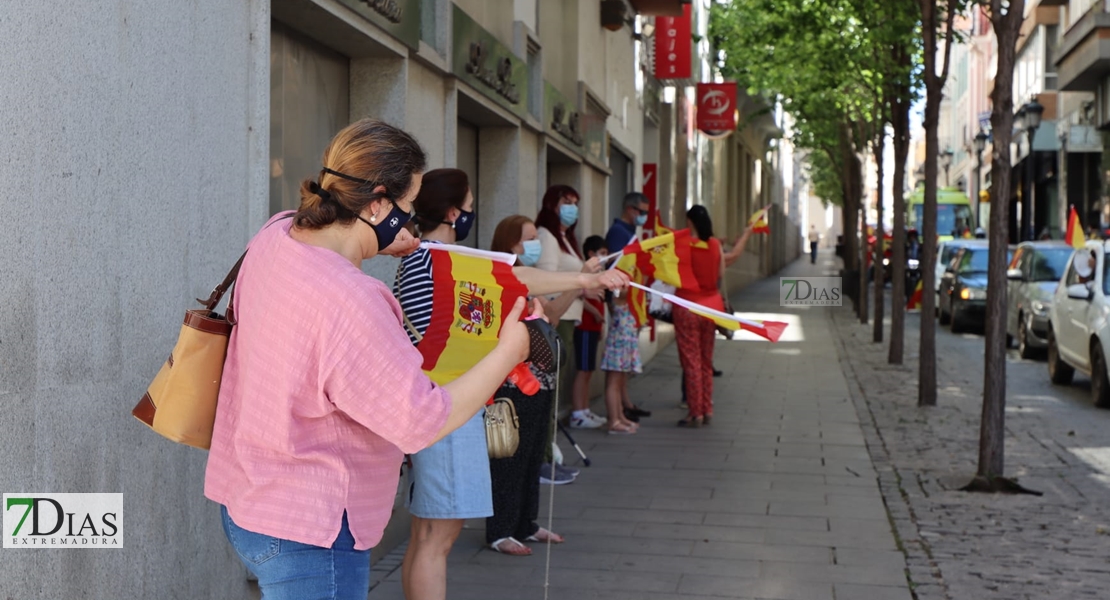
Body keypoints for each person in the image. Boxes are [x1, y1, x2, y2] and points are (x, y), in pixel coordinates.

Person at [204, 119, 536, 599]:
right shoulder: (355, 298)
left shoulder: (276, 233)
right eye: (407, 207)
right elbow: (420, 421)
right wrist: (509, 351)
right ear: (378, 202)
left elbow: (325, 283)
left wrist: (372, 244)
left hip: (248, 500)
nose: (410, 220)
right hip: (312, 530)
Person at [394, 172, 627, 599]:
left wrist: (581, 279)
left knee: (426, 537)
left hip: (434, 406)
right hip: (448, 408)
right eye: (467, 205)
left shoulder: (429, 258)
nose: (470, 212)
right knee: (436, 541)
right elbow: (518, 279)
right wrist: (585, 281)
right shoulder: (440, 259)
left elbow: (516, 277)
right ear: (452, 213)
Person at [484, 216, 614, 555]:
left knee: (532, 457)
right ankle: (499, 531)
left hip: (541, 384)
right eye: (530, 238)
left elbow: (553, 315)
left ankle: (525, 523)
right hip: (513, 386)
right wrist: (583, 275)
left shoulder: (530, 287)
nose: (536, 244)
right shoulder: (504, 280)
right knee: (509, 459)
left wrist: (580, 281)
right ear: (512, 243)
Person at [534, 185, 600, 481]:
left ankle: (548, 454)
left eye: (576, 203)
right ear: (553, 204)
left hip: (571, 315)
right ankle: (543, 459)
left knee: (554, 390)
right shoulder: (547, 236)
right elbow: (545, 279)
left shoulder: (565, 238)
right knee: (548, 389)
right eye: (566, 202)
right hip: (556, 317)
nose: (572, 208)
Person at [675, 206, 754, 428]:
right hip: (711, 307)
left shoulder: (684, 246)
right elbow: (720, 274)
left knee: (691, 361)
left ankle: (694, 412)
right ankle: (707, 408)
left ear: (689, 222)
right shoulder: (715, 246)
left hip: (687, 306)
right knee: (706, 361)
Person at [603, 191, 653, 423]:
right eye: (641, 212)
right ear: (629, 209)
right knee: (617, 367)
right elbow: (616, 271)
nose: (643, 217)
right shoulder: (618, 233)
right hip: (622, 306)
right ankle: (617, 414)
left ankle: (624, 407)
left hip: (630, 307)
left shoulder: (630, 233)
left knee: (622, 367)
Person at [570, 235, 609, 429]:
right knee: (583, 369)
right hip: (584, 325)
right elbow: (578, 295)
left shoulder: (599, 274)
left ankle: (585, 410)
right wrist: (594, 313)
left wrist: (601, 323)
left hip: (594, 326)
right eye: (601, 253)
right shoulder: (583, 274)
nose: (604, 258)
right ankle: (577, 413)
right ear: (591, 254)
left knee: (589, 370)